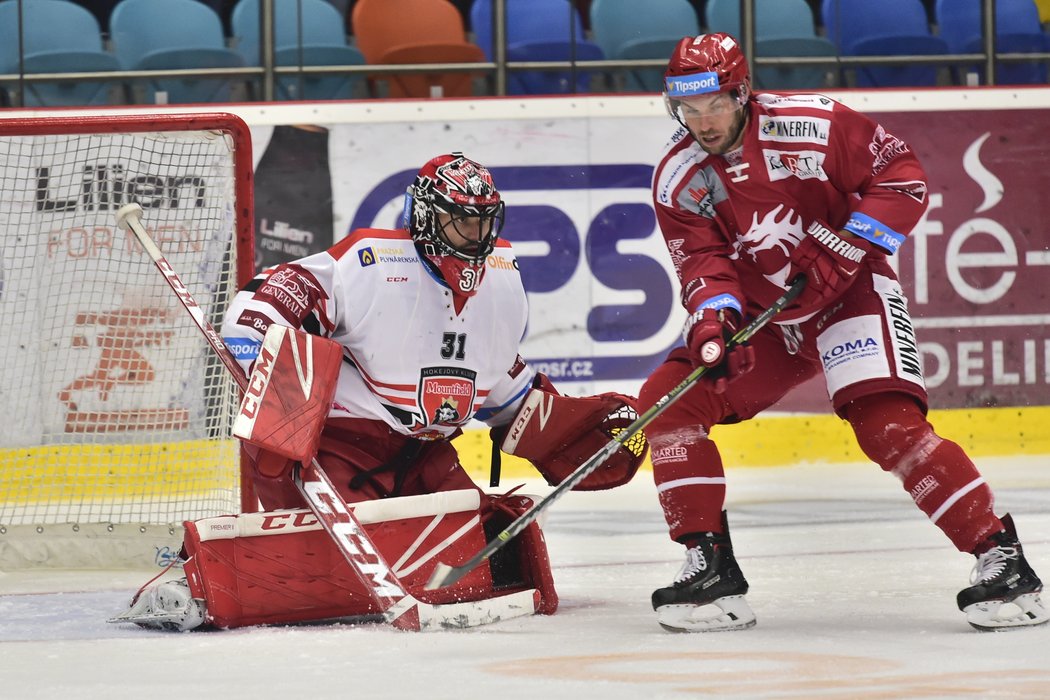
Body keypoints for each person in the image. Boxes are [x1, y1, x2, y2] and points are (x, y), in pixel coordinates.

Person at [115, 152, 646, 631]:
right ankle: (189, 576)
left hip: (428, 455)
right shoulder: (372, 261)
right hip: (339, 449)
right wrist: (257, 335)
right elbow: (285, 286)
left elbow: (499, 379)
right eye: (460, 218)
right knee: (331, 572)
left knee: (476, 562)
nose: (475, 232)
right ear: (425, 216)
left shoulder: (504, 278)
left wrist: (569, 428)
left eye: (484, 219)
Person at [640, 33, 1046, 633]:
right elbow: (703, 263)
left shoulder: (809, 124)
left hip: (850, 294)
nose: (702, 121)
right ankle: (712, 570)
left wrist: (845, 243)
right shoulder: (679, 179)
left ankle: (1001, 557)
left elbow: (903, 177)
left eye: (715, 105)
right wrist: (713, 318)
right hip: (769, 322)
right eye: (688, 108)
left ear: (742, 92)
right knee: (667, 406)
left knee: (886, 426)